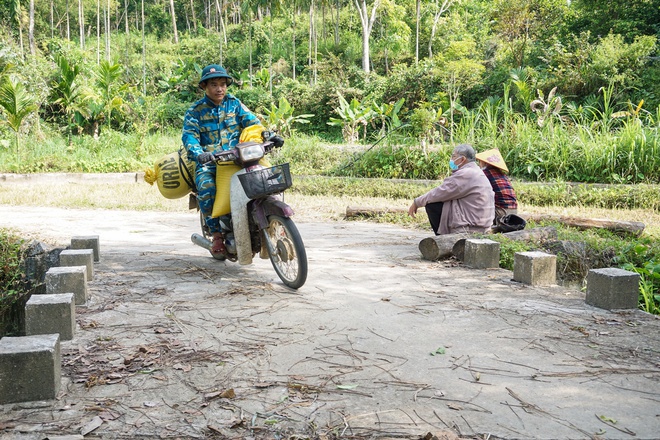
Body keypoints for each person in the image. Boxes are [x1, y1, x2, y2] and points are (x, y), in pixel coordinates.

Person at [182, 64, 280, 256]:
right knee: (207, 186)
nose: (219, 89)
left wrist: (269, 135)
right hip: (210, 162)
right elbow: (189, 136)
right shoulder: (195, 111)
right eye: (214, 85)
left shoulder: (234, 104)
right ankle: (217, 234)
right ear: (204, 87)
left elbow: (253, 124)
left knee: (268, 181)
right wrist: (199, 153)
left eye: (222, 84)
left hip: (239, 158)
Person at [408, 144, 495, 235]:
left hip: (472, 227)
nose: (451, 160)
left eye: (454, 156)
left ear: (462, 159)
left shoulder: (466, 174)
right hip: (482, 224)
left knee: (432, 204)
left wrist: (417, 202)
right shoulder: (476, 171)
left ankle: (443, 239)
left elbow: (440, 193)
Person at [475, 148, 518, 224]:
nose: (479, 163)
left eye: (480, 161)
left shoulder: (485, 173)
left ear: (485, 162)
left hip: (501, 212)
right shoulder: (501, 174)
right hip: (514, 211)